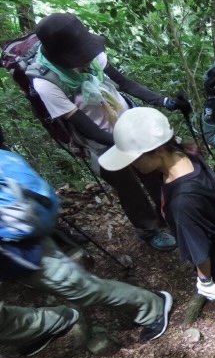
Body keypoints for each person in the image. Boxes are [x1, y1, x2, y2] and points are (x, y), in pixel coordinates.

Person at [99, 108, 215, 337]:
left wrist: (205, 279)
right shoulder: (186, 154)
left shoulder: (182, 202)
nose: (133, 165)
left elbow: (200, 250)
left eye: (135, 159)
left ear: (157, 150)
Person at [30, 13, 184, 251]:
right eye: (79, 58)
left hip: (130, 127)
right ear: (62, 58)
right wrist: (128, 145)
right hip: (101, 143)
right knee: (129, 187)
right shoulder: (46, 83)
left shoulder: (92, 56)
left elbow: (125, 84)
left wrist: (163, 101)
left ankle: (168, 214)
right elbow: (84, 126)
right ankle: (149, 229)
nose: (86, 60)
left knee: (154, 173)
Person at [0, 151, 172, 355]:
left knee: (80, 288)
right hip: (12, 252)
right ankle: (44, 327)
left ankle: (152, 306)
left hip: (23, 247)